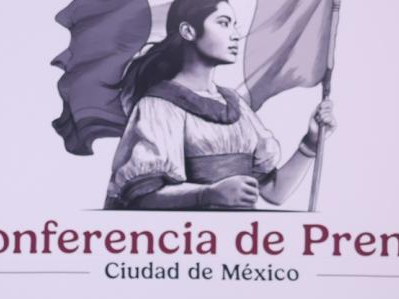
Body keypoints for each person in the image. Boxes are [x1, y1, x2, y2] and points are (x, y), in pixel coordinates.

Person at [104, 0, 337, 209]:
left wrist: (310, 143)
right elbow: (141, 198)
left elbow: (274, 193)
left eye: (234, 25)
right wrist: (208, 194)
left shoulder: (237, 106)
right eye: (224, 23)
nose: (235, 35)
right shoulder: (159, 106)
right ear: (188, 31)